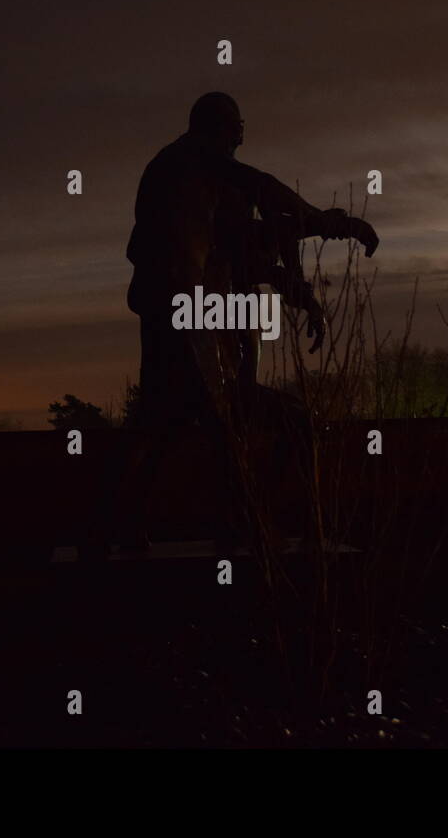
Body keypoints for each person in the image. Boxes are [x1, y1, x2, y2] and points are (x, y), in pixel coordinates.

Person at [89, 92, 378, 556]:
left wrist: (306, 273)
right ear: (219, 128)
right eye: (236, 130)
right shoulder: (189, 159)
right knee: (215, 425)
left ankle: (115, 531)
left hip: (189, 318)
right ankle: (247, 527)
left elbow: (250, 242)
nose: (240, 140)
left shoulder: (201, 182)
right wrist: (326, 223)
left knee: (160, 428)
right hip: (183, 317)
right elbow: (260, 188)